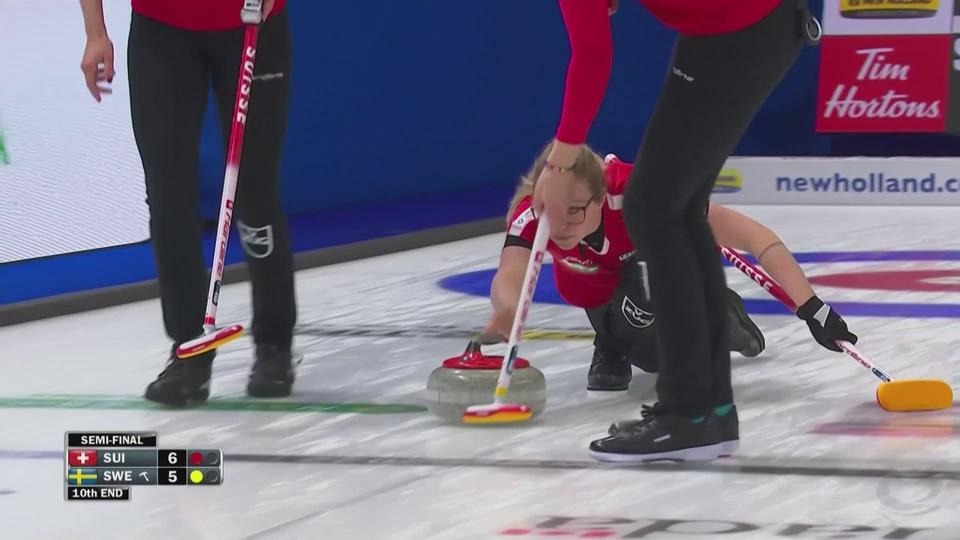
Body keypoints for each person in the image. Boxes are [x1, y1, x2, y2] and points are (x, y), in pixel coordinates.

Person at [534, 0, 827, 462]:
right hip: (744, 28)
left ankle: (690, 414)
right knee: (679, 208)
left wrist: (561, 159)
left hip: (739, 30)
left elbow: (592, 53)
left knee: (653, 207)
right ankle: (709, 412)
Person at [484, 144, 857, 400]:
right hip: (597, 288)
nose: (561, 224)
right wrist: (504, 310)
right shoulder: (534, 215)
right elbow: (510, 274)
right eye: (552, 209)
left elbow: (755, 237)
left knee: (648, 302)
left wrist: (812, 308)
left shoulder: (639, 194)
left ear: (600, 197)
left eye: (575, 210)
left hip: (663, 276)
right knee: (615, 304)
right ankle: (611, 343)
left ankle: (719, 318)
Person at [78, 0, 297, 406]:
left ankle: (274, 344)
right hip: (161, 30)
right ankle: (189, 351)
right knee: (167, 193)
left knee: (253, 188)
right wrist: (95, 33)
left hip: (250, 20)